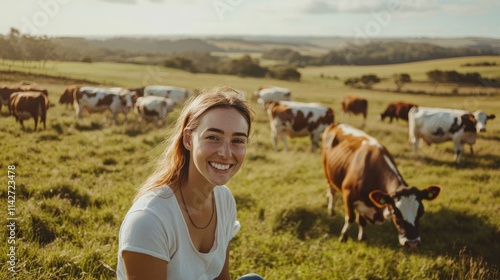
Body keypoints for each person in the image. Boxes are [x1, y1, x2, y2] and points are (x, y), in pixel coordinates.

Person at [117, 87, 263, 279]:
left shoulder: (224, 199)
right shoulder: (149, 220)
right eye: (213, 137)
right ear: (188, 139)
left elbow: (220, 277)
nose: (226, 153)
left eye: (237, 140)